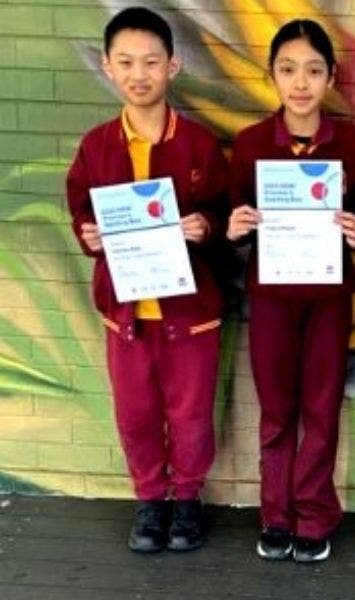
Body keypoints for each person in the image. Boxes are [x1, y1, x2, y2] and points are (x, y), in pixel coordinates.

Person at [66, 6, 228, 553]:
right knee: (135, 413)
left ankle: (186, 501)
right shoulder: (96, 147)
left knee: (190, 414)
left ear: (173, 67)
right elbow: (81, 213)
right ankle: (150, 501)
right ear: (109, 68)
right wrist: (88, 235)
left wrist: (205, 225)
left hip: (190, 313)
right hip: (126, 312)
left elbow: (225, 216)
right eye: (127, 62)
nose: (140, 74)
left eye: (151, 62)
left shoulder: (200, 145)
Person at [227, 19, 355, 563]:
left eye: (314, 70)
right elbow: (231, 213)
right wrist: (236, 224)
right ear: (272, 76)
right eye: (288, 69)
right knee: (277, 410)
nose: (301, 82)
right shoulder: (250, 146)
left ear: (330, 77)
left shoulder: (351, 145)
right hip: (270, 296)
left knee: (320, 407)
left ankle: (314, 514)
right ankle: (276, 515)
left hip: (328, 298)